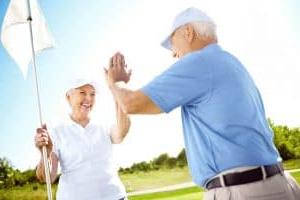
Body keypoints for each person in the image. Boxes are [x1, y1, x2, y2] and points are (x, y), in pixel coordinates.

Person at [104, 7, 300, 200]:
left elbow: (131, 103)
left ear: (188, 32)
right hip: (277, 183)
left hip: (243, 190)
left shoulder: (200, 62)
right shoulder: (232, 62)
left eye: (173, 44)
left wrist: (115, 81)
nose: (174, 54)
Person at [34, 78, 130, 200]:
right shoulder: (56, 132)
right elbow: (47, 178)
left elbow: (121, 133)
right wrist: (45, 155)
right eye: (82, 93)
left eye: (92, 94)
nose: (89, 98)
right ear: (68, 97)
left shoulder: (104, 124)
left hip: (115, 197)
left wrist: (119, 92)